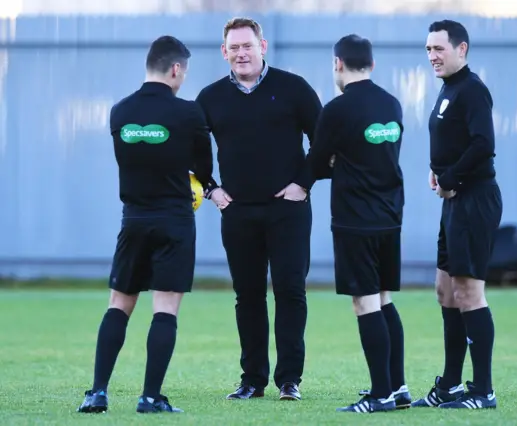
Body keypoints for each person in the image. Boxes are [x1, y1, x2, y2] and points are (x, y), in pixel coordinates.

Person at [76, 35, 216, 414]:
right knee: (165, 309)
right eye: (183, 73)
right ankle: (150, 397)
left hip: (133, 220)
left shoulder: (120, 112)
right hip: (174, 221)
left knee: (119, 305)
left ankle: (97, 392)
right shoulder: (188, 114)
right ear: (175, 69)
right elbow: (204, 169)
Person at [195, 17, 322, 401]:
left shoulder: (294, 89)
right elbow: (194, 155)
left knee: (290, 292)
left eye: (247, 45)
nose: (241, 53)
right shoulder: (210, 98)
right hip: (238, 213)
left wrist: (304, 184)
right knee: (247, 296)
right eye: (233, 47)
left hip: (288, 211)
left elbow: (324, 141)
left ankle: (289, 380)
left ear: (262, 46)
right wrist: (213, 190)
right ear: (224, 52)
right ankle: (252, 380)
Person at [306, 34, 410, 414]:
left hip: (355, 220)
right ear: (372, 65)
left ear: (337, 64)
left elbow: (316, 164)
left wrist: (334, 162)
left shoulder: (337, 110)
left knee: (365, 304)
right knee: (384, 300)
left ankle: (379, 394)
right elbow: (381, 156)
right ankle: (398, 388)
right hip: (390, 217)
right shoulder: (392, 103)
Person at [411, 20, 502, 410]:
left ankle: (483, 391)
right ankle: (448, 386)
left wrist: (450, 175)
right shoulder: (449, 88)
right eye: (428, 49)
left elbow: (484, 144)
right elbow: (455, 140)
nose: (432, 55)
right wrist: (438, 170)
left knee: (468, 292)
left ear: (461, 49)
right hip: (454, 201)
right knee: (445, 291)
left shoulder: (473, 90)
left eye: (439, 49)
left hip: (475, 200)